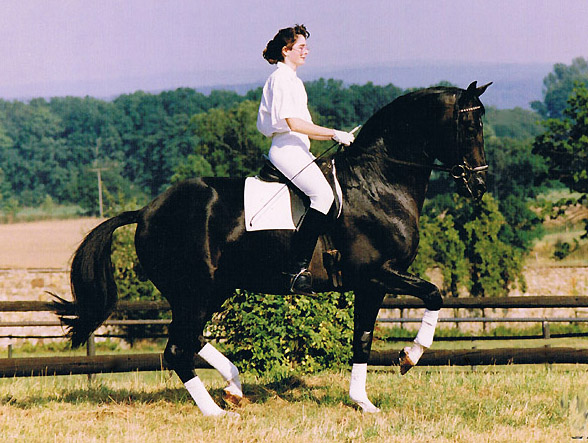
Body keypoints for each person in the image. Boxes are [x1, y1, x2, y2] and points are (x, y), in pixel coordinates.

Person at [257, 24, 355, 296]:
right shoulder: (281, 79)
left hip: (300, 150)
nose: (306, 51)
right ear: (286, 50)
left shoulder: (293, 80)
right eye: (301, 47)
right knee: (323, 197)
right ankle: (295, 269)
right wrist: (333, 133)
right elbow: (294, 122)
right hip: (287, 150)